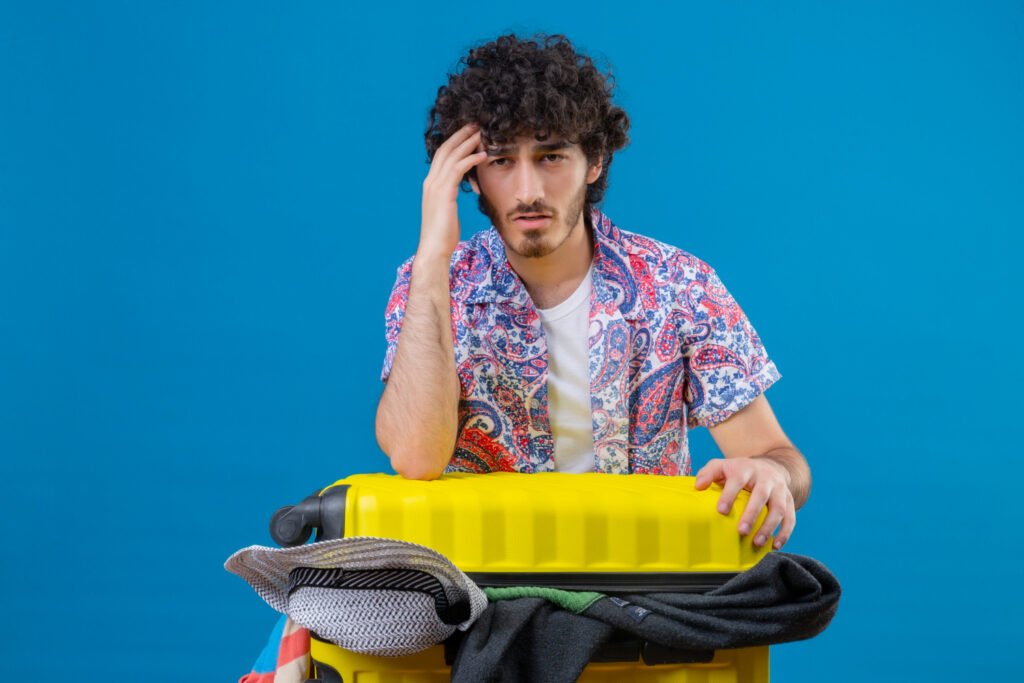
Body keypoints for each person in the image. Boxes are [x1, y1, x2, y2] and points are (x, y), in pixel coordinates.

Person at [375, 33, 810, 551]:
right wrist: (432, 258)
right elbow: (415, 457)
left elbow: (780, 455)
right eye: (500, 161)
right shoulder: (430, 284)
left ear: (595, 161)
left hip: (646, 587)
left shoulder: (680, 284)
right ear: (468, 177)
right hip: (488, 587)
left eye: (552, 156)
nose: (528, 190)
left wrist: (770, 474)